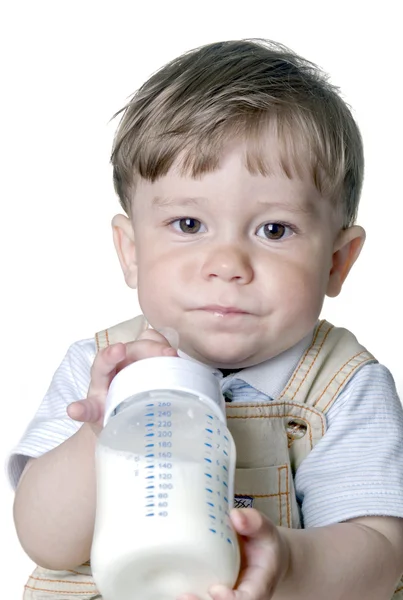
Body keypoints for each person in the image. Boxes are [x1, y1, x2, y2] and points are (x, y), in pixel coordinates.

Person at [8, 39, 403, 600]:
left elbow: (378, 556)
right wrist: (101, 430)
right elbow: (45, 540)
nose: (226, 265)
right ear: (131, 250)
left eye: (274, 230)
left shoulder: (343, 387)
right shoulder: (100, 368)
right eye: (189, 224)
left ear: (337, 262)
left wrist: (288, 565)